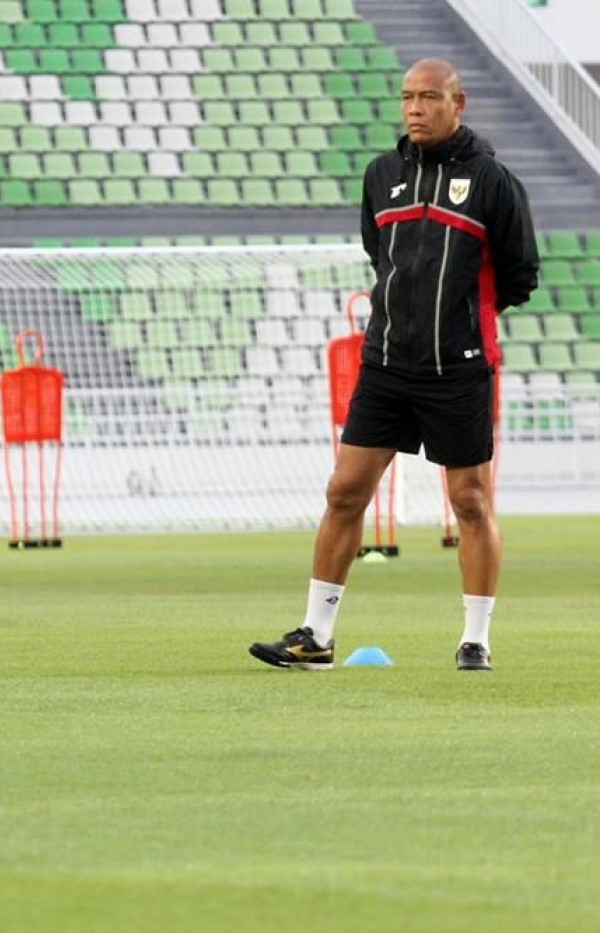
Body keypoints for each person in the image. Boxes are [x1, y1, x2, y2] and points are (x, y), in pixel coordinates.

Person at [249, 58, 539, 673]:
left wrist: (462, 322)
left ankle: (475, 640)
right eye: (407, 97)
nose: (414, 108)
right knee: (344, 491)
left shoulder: (492, 181)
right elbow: (379, 255)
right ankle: (316, 636)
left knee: (470, 501)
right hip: (385, 363)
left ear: (457, 104)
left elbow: (520, 274)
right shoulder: (381, 175)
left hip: (458, 367)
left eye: (428, 97)